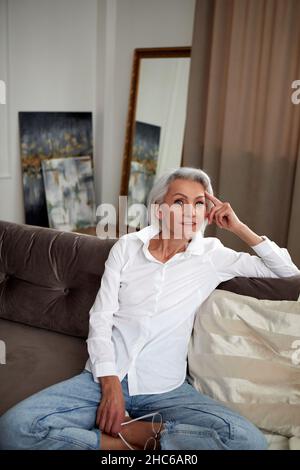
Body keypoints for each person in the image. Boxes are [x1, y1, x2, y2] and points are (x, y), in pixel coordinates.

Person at [0, 167, 299, 450]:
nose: (190, 211)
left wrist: (238, 226)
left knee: (247, 441)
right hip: (103, 379)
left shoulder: (212, 256)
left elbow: (286, 271)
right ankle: (126, 442)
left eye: (198, 203)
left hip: (166, 390)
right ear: (159, 210)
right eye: (179, 201)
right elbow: (101, 320)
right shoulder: (127, 248)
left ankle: (136, 434)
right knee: (14, 429)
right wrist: (111, 385)